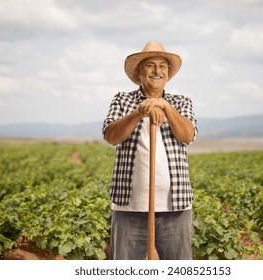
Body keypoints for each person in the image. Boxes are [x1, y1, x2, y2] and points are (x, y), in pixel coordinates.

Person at [102, 41, 198, 260]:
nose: (157, 71)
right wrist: (138, 113)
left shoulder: (181, 102)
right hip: (129, 207)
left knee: (180, 269)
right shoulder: (122, 100)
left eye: (162, 66)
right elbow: (111, 136)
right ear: (139, 71)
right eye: (150, 65)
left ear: (168, 73)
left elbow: (187, 135)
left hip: (175, 206)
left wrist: (163, 106)